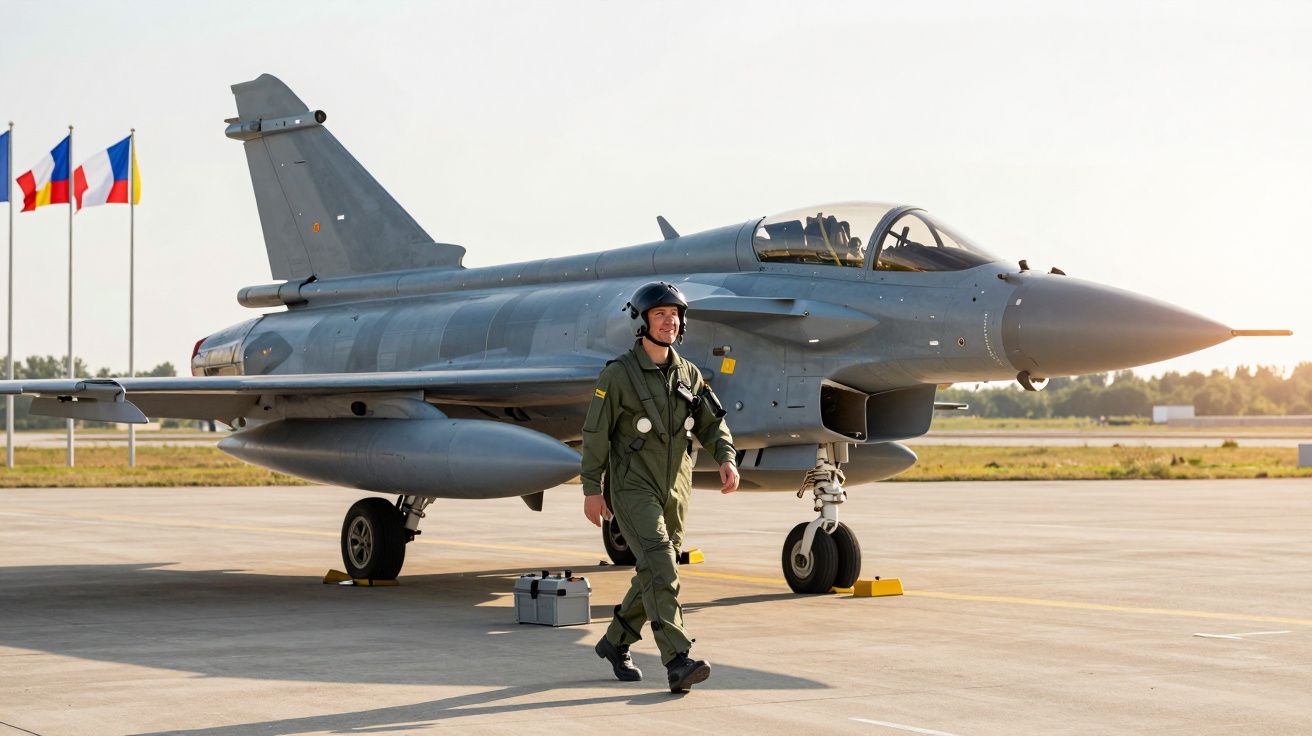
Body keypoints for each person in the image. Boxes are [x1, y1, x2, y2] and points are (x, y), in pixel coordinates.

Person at [580, 281, 739, 693]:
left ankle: (615, 642)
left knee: (655, 568)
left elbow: (712, 422)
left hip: (676, 486)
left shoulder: (689, 374)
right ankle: (677, 660)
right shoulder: (617, 375)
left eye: (675, 315)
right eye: (660, 315)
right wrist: (591, 488)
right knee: (662, 563)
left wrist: (726, 457)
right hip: (633, 486)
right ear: (642, 322)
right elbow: (595, 433)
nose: (669, 322)